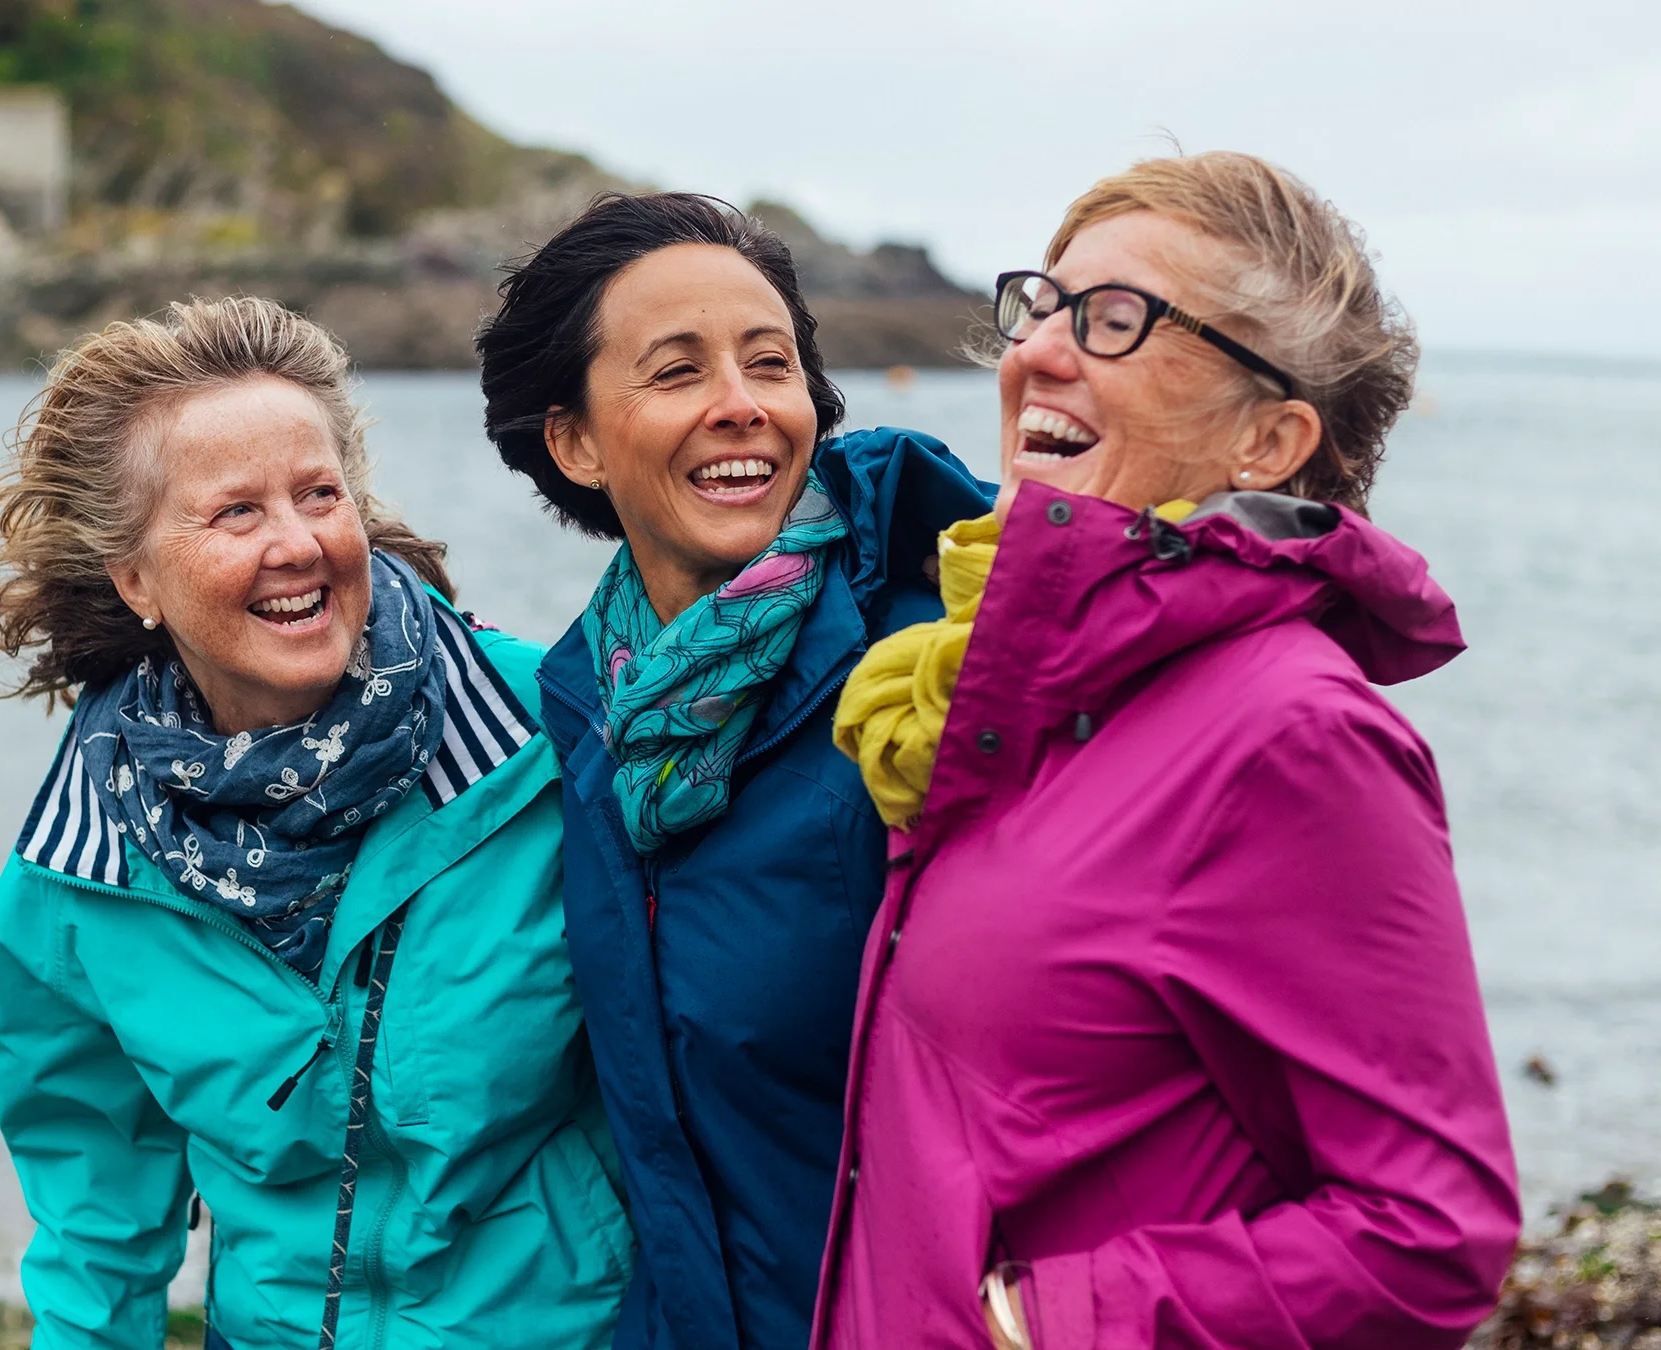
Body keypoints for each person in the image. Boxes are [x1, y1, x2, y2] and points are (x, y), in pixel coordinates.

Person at [814, 152, 1521, 1350]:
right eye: (1043, 303)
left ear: (1268, 440)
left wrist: (1031, 1325)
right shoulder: (998, 693)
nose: (1039, 350)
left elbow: (1431, 1233)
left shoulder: (1296, 738)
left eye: (1118, 320)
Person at [0, 296, 629, 1350]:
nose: (297, 543)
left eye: (319, 495)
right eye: (235, 513)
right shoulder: (79, 876)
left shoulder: (552, 740)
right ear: (135, 578)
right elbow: (98, 1234)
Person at [476, 193, 992, 1350]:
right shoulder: (583, 710)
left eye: (772, 363)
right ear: (573, 440)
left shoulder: (926, 677)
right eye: (676, 372)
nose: (743, 406)